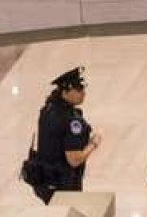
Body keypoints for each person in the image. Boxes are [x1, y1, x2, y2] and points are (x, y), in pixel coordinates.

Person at [31, 67, 102, 204]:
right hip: (63, 185)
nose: (83, 94)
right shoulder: (72, 121)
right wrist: (93, 143)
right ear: (65, 92)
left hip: (44, 180)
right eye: (79, 90)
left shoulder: (48, 108)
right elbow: (74, 160)